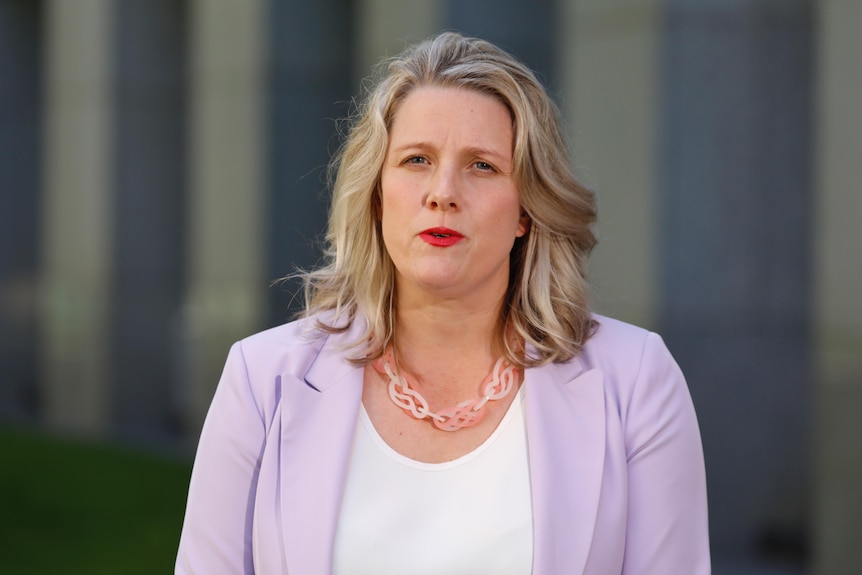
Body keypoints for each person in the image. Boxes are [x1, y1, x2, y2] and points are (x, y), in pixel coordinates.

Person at [175, 32, 710, 574]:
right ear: (378, 194)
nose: (443, 192)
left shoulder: (637, 382)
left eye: (482, 165)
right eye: (416, 160)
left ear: (527, 208)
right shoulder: (260, 380)